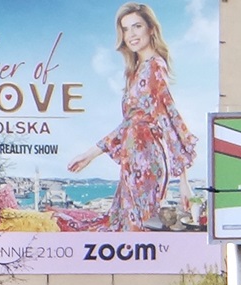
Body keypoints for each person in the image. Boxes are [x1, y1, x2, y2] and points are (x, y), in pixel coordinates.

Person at [66, 3, 197, 231]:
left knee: (138, 229)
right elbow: (130, 124)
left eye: (137, 26)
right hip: (133, 159)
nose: (131, 34)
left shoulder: (154, 67)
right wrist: (90, 154)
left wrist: (183, 181)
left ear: (151, 29)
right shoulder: (137, 70)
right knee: (126, 227)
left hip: (147, 163)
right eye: (125, 29)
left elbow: (169, 119)